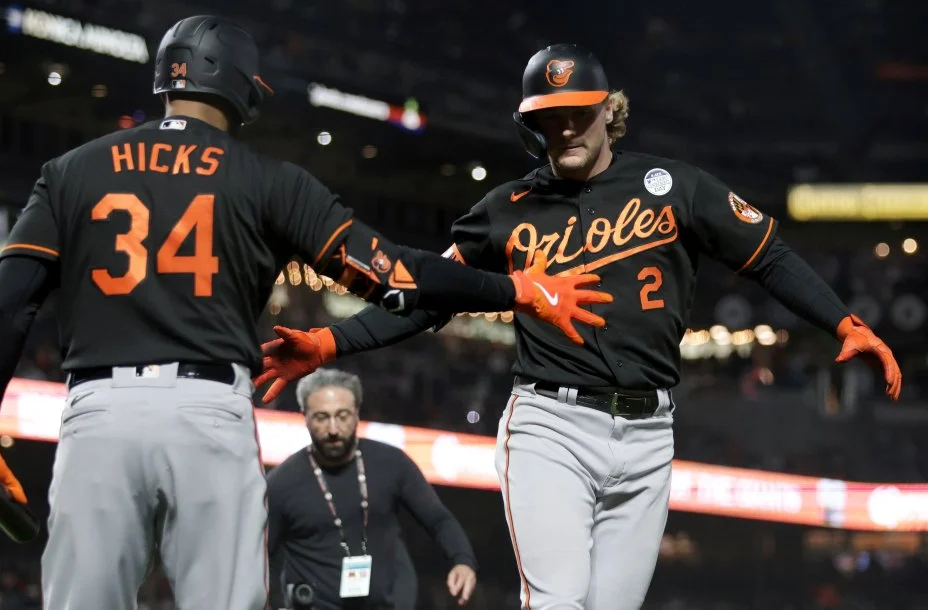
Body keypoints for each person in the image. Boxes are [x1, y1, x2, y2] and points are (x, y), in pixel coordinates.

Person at [0, 16, 611, 610]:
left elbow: (8, 307)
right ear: (241, 90)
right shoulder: (265, 179)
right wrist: (518, 290)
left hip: (96, 415)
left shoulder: (70, 171)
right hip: (207, 416)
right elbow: (396, 278)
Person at [254, 43, 903, 610]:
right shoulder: (503, 210)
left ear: (608, 111)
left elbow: (770, 256)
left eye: (578, 111)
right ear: (529, 126)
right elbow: (428, 296)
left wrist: (841, 320)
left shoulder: (674, 186)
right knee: (558, 602)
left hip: (649, 432)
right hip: (551, 425)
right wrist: (331, 340)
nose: (564, 127)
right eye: (547, 117)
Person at [267, 369, 478, 610]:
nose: (333, 428)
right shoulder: (282, 483)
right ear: (304, 416)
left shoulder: (392, 463)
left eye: (343, 416)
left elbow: (438, 519)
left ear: (357, 413)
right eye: (322, 417)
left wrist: (462, 560)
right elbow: (262, 558)